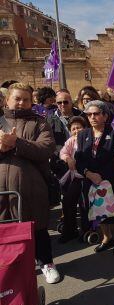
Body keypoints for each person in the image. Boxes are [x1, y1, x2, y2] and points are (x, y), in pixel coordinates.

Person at [0, 83, 60, 284]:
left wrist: (16, 142)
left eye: (26, 99)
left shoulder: (40, 123)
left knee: (37, 227)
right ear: (7, 99)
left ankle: (46, 263)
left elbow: (45, 148)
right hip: (2, 189)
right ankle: (7, 268)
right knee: (3, 230)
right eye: (17, 98)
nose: (22, 102)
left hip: (31, 187)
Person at [75, 100, 114, 255]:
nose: (92, 117)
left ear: (105, 116)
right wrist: (88, 174)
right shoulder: (83, 134)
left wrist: (101, 176)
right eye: (89, 114)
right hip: (90, 180)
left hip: (111, 179)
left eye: (96, 114)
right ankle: (107, 238)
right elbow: (79, 158)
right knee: (98, 210)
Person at [58, 116, 88, 243]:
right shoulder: (70, 141)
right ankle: (70, 230)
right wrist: (68, 159)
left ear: (85, 128)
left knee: (84, 205)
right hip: (75, 177)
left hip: (87, 177)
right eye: (73, 128)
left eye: (79, 127)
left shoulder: (88, 138)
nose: (76, 131)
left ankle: (86, 230)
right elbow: (63, 152)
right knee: (67, 203)